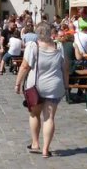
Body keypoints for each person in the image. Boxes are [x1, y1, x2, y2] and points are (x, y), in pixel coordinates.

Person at [15, 22, 66, 158]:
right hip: (54, 86)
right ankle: (45, 149)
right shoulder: (59, 46)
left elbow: (25, 66)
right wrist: (66, 84)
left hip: (36, 87)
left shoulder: (33, 46)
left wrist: (18, 83)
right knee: (49, 118)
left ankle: (35, 143)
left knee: (34, 114)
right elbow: (64, 68)